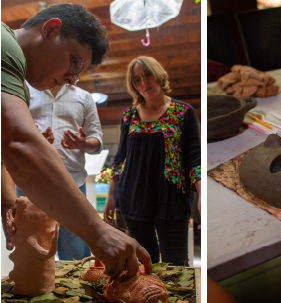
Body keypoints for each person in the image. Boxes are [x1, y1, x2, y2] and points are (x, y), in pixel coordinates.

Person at [1, 3, 151, 279]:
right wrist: (99, 230)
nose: (72, 78)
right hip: (37, 183)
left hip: (66, 179)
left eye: (78, 71)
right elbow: (18, 144)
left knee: (72, 257)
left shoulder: (20, 83)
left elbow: (8, 144)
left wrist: (7, 198)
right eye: (74, 61)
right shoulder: (4, 46)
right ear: (51, 29)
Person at [103, 56, 201, 267]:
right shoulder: (129, 116)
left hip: (172, 199)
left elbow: (194, 158)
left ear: (158, 75)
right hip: (134, 198)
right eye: (137, 80)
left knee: (176, 266)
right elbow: (120, 158)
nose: (144, 84)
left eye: (147, 75)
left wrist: (202, 194)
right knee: (144, 265)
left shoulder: (183, 112)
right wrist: (111, 197)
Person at [12, 82, 104, 261]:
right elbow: (11, 132)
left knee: (75, 254)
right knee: (31, 253)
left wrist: (82, 143)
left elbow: (96, 139)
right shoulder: (23, 91)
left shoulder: (84, 97)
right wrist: (32, 140)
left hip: (72, 184)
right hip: (30, 182)